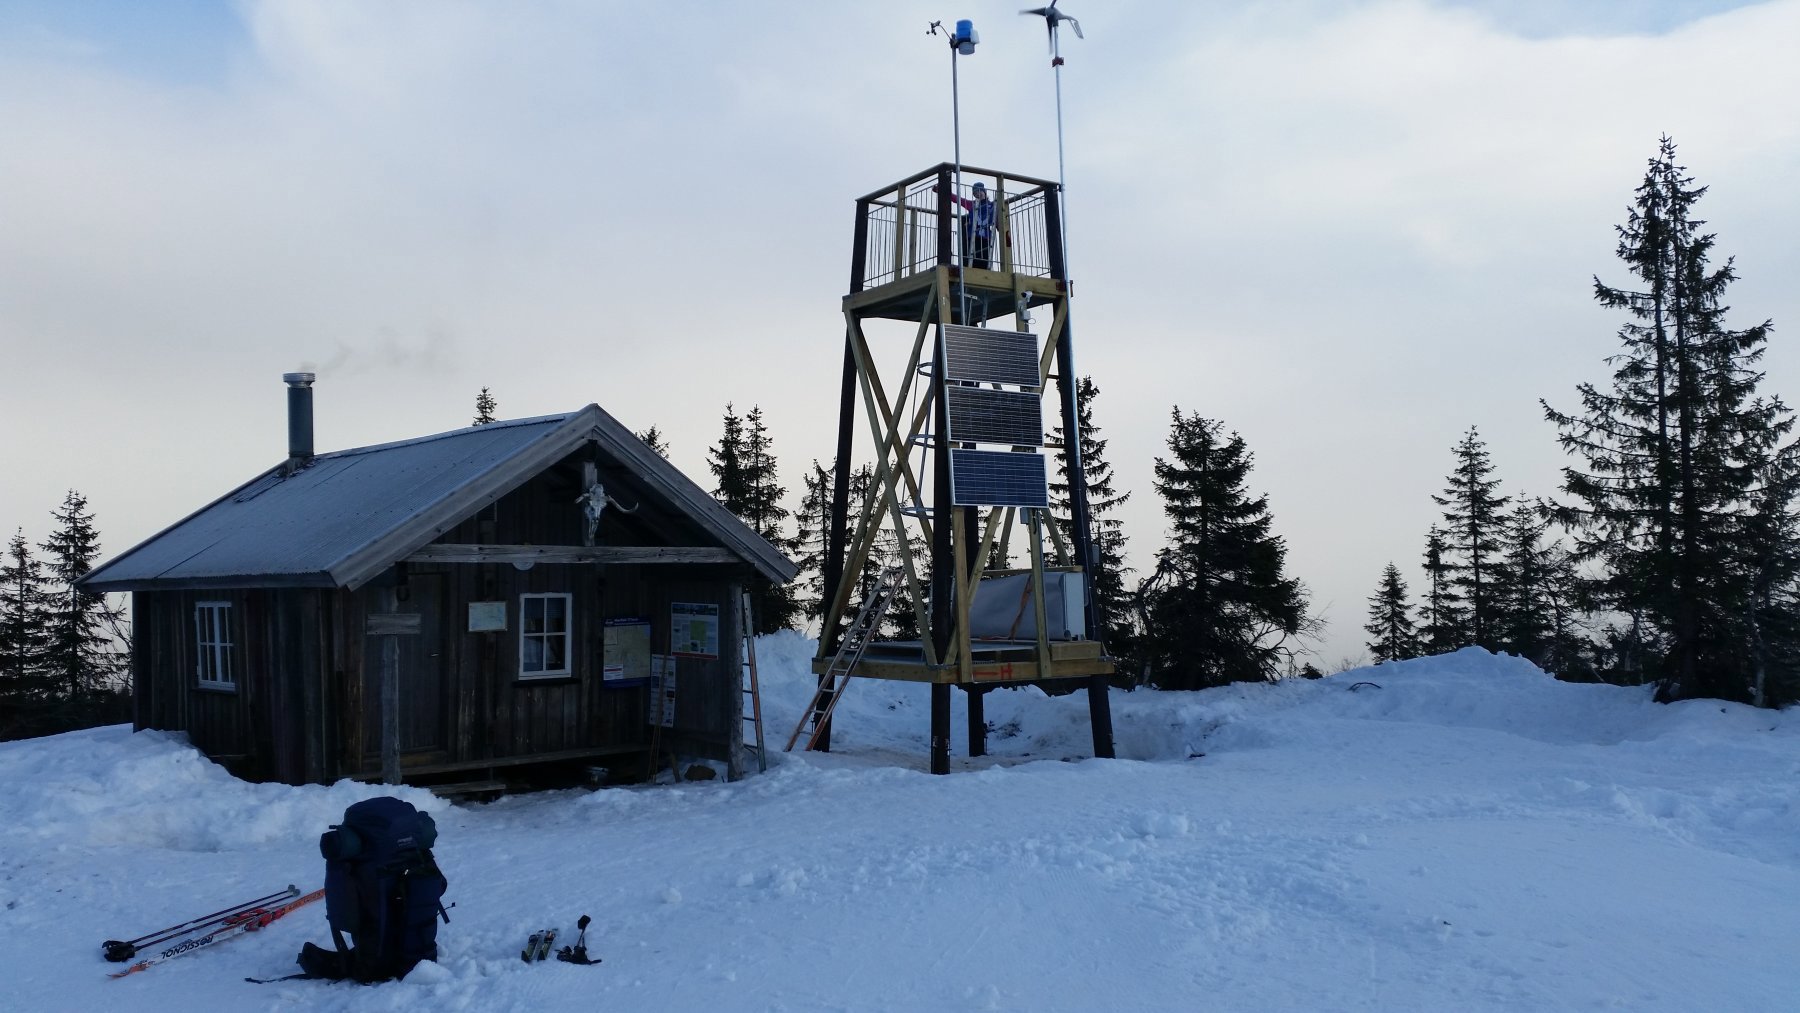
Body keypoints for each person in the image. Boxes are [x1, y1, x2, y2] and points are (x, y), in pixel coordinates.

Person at [951, 181, 997, 269]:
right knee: (974, 256)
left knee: (985, 257)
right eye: (975, 193)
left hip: (986, 236)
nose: (977, 194)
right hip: (974, 235)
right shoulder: (972, 204)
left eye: (979, 191)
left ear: (984, 191)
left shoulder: (992, 205)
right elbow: (958, 200)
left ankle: (986, 270)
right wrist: (943, 191)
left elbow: (997, 219)